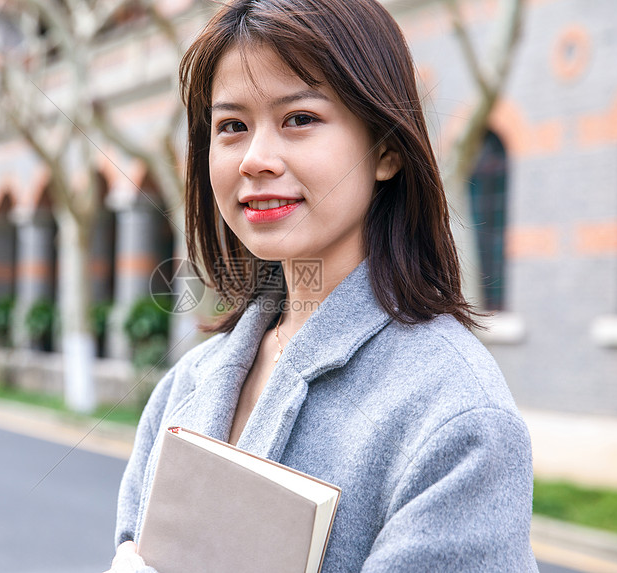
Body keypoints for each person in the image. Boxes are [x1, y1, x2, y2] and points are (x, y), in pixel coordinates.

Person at [107, 0, 537, 571]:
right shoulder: (185, 386)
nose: (256, 159)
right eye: (232, 126)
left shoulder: (458, 419)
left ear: (385, 150)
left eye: (299, 119)